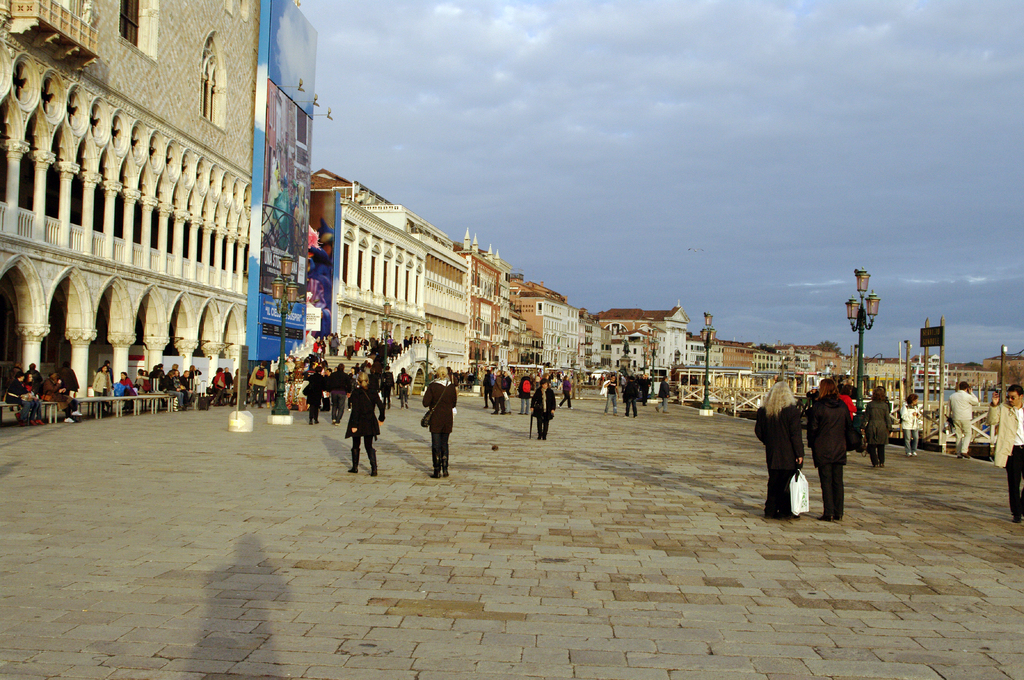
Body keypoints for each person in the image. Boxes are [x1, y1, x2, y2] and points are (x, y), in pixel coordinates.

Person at [755, 381, 805, 519]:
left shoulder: (764, 411)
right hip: (788, 452)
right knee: (786, 482)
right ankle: (784, 510)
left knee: (773, 480)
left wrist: (768, 441)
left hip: (772, 451)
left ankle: (770, 509)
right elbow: (795, 434)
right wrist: (799, 453)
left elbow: (759, 431)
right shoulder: (792, 411)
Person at [807, 378, 851, 522]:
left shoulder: (818, 406)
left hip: (823, 446)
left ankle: (828, 511)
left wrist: (812, 443)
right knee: (838, 480)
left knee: (826, 480)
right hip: (839, 446)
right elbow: (848, 426)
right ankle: (839, 511)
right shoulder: (842, 406)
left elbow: (812, 428)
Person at [988, 386, 1024, 523]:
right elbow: (991, 421)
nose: (1010, 400)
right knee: (1014, 483)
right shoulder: (1004, 408)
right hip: (1012, 450)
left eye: (1013, 397)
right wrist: (994, 406)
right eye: (1008, 397)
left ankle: (1022, 506)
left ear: (1021, 396)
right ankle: (1016, 512)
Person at [346, 372, 386, 476]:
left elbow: (355, 410)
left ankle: (355, 467)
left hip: (358, 421)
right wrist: (381, 418)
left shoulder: (356, 393)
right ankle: (374, 468)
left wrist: (354, 425)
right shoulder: (373, 392)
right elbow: (381, 406)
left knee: (356, 444)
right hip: (369, 420)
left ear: (358, 381)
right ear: (367, 381)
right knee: (369, 445)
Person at [423, 367, 458, 478]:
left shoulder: (432, 386)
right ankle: (445, 468)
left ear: (436, 374)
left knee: (436, 444)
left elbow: (425, 403)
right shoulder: (451, 387)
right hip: (447, 418)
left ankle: (436, 470)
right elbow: (453, 404)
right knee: (445, 444)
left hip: (436, 418)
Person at [863, 386, 893, 469]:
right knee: (881, 446)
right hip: (882, 426)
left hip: (872, 425)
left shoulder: (870, 405)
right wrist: (890, 428)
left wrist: (862, 426)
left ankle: (875, 462)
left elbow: (866, 417)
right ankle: (882, 461)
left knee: (872, 445)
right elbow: (887, 418)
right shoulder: (885, 406)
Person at [949, 381, 980, 459]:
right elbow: (976, 401)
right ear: (967, 388)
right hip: (965, 417)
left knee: (958, 435)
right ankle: (964, 450)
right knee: (968, 434)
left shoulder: (952, 396)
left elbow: (949, 406)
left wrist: (949, 416)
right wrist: (971, 393)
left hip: (955, 417)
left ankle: (959, 453)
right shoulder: (967, 396)